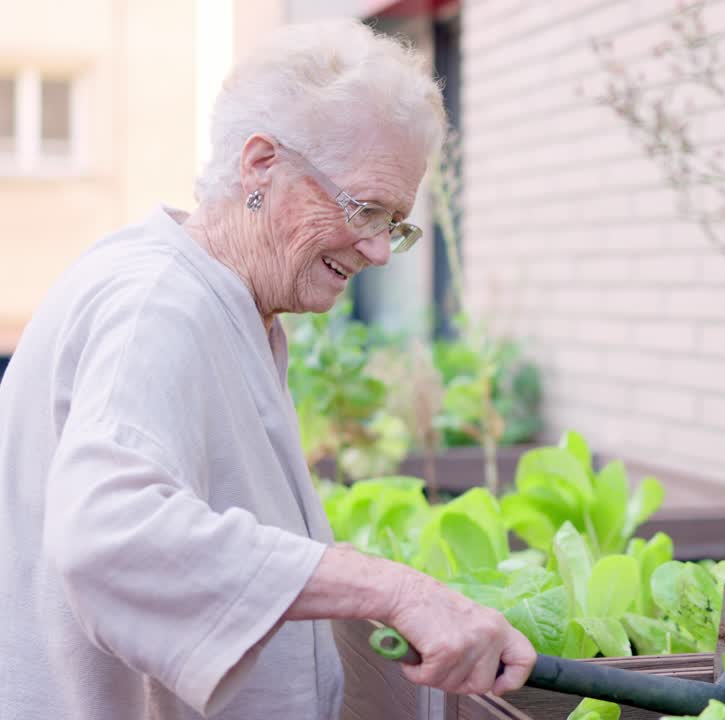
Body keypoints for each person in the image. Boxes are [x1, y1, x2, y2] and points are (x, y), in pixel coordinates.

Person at [0, 19, 535, 720]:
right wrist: (396, 590)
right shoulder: (157, 307)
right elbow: (112, 536)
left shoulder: (228, 303)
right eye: (365, 209)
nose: (379, 252)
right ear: (260, 166)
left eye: (395, 225)